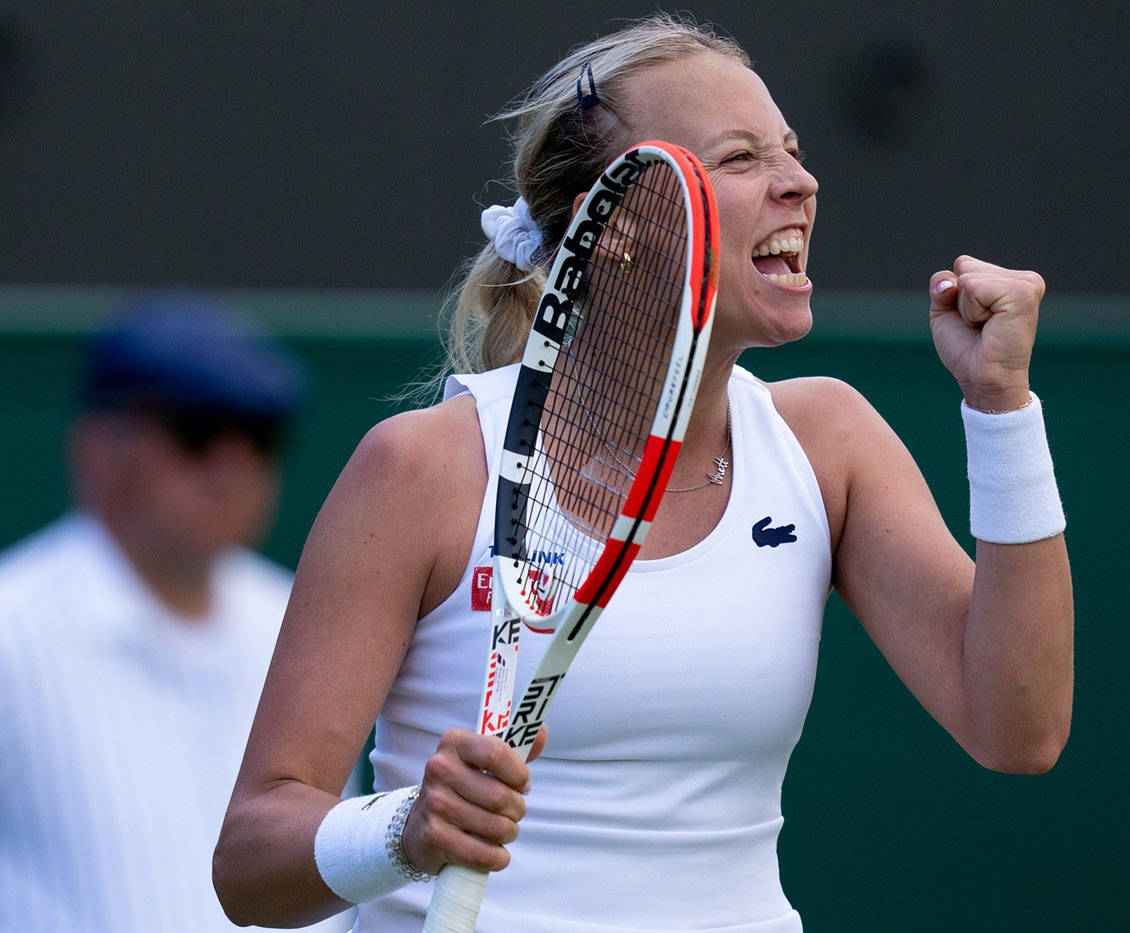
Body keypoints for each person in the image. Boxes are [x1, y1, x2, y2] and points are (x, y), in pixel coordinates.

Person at [214, 13, 1073, 932]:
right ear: (615, 224)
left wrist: (1001, 406)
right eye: (741, 160)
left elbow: (1018, 728)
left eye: (791, 149)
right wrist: (404, 831)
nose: (801, 182)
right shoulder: (422, 469)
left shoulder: (829, 442)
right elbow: (250, 862)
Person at [0, 293, 350, 932]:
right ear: (99, 448)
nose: (235, 468)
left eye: (261, 438)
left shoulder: (296, 623)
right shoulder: (12, 633)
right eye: (196, 435)